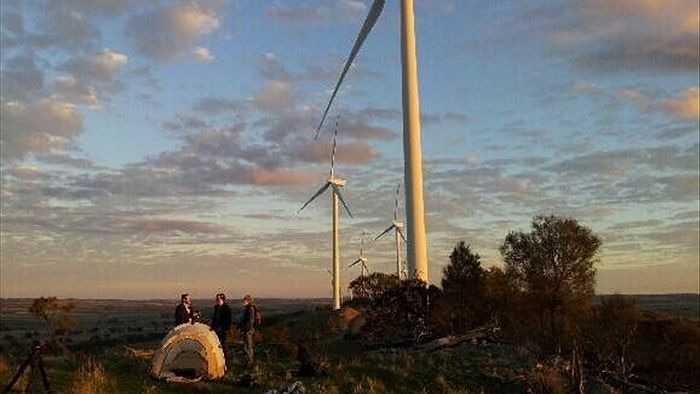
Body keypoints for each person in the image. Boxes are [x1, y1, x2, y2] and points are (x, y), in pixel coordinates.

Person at [238, 294, 256, 366]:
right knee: (246, 346)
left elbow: (250, 321)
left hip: (248, 330)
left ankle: (250, 362)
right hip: (247, 329)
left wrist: (245, 328)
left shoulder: (250, 308)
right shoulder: (247, 308)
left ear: (248, 301)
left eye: (245, 300)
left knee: (248, 346)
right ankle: (248, 361)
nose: (243, 301)